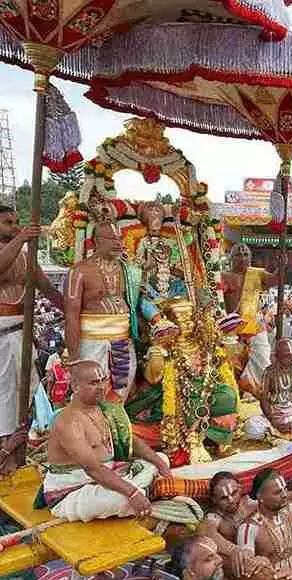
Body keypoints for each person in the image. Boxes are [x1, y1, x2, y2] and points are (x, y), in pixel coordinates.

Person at [43, 359, 171, 522]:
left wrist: (161, 466)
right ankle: (145, 491)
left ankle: (144, 491)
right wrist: (132, 493)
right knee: (122, 500)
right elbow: (93, 469)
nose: (101, 387)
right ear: (75, 386)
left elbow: (131, 440)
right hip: (73, 491)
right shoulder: (68, 422)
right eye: (93, 383)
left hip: (111, 474)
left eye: (103, 380)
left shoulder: (107, 409)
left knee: (161, 459)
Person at [0, 207, 62, 475]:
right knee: (5, 399)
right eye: (7, 222)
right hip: (2, 339)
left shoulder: (27, 256)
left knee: (22, 398)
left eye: (17, 222)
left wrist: (75, 311)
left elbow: (47, 289)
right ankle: (5, 459)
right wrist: (22, 238)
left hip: (22, 336)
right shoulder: (17, 248)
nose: (14, 226)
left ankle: (17, 458)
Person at [64, 222, 138, 402]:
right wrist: (74, 360)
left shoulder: (128, 271)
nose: (118, 243)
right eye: (112, 238)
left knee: (119, 398)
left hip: (123, 343)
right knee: (91, 395)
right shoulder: (79, 271)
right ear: (97, 241)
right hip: (91, 345)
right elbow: (71, 316)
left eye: (120, 238)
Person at [221, 243, 280, 395]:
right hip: (230, 331)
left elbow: (276, 280)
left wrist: (282, 266)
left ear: (250, 258)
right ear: (230, 258)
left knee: (262, 363)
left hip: (254, 329)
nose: (242, 258)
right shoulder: (223, 276)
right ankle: (237, 395)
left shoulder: (256, 274)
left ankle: (263, 394)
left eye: (246, 254)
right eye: (238, 254)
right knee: (231, 368)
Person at [198, 472, 270, 580]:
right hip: (241, 569)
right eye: (224, 498)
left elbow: (285, 500)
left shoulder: (251, 503)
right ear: (214, 499)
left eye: (234, 493)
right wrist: (235, 550)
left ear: (240, 488)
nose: (231, 500)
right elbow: (206, 532)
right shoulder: (215, 516)